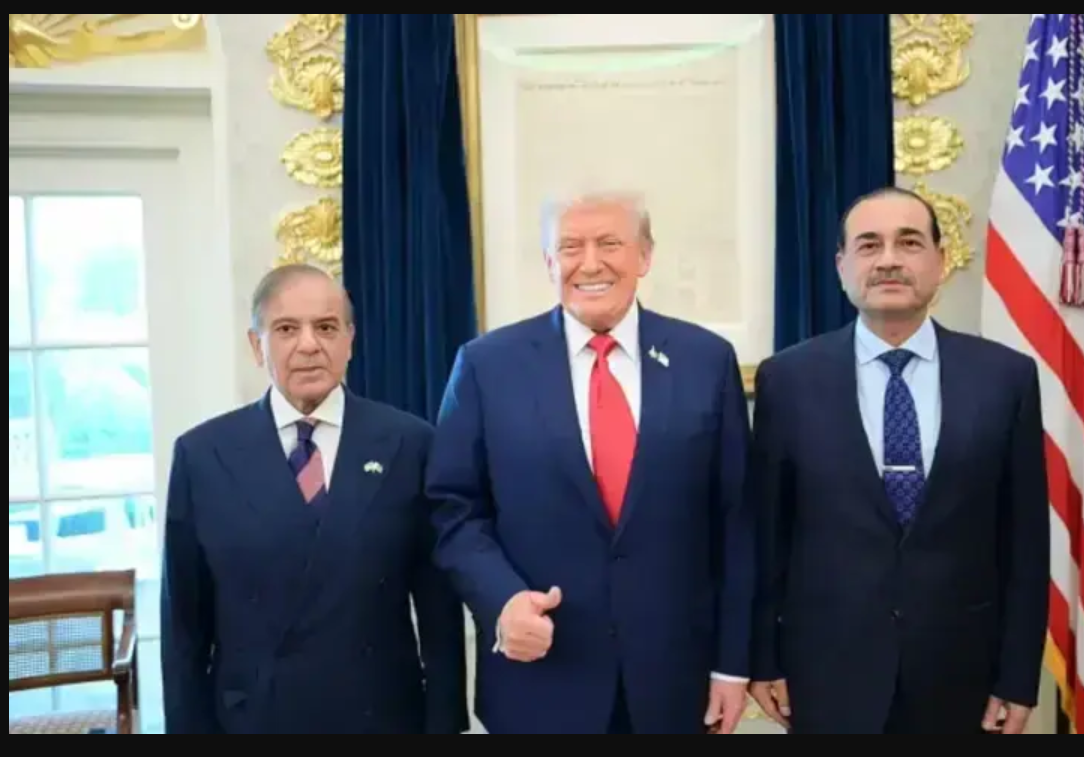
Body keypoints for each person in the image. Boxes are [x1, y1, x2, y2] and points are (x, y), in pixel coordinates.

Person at [426, 191, 754, 734]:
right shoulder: (487, 365)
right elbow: (452, 509)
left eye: (610, 244)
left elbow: (736, 520)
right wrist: (502, 600)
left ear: (645, 256)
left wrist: (732, 664)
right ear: (549, 263)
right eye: (570, 247)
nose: (591, 263)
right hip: (541, 680)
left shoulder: (706, 360)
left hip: (676, 682)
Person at [748, 188, 1050, 734]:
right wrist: (764, 659)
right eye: (869, 245)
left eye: (909, 243)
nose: (888, 259)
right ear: (841, 266)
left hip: (962, 676)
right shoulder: (788, 380)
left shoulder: (1005, 378)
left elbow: (1025, 544)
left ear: (940, 260)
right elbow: (768, 535)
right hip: (826, 675)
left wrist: (1018, 676)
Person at [160, 264, 469, 734]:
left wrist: (445, 723)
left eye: (325, 327)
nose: (309, 345)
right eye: (287, 329)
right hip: (253, 718)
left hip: (381, 716)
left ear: (350, 340)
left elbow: (439, 608)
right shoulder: (202, 455)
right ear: (256, 345)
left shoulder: (410, 443)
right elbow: (183, 623)